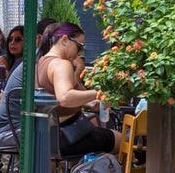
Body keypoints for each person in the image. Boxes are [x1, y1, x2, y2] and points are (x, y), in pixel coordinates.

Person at [35, 22, 120, 156]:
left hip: (51, 136)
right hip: (68, 135)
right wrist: (98, 93)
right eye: (79, 46)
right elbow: (65, 97)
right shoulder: (61, 64)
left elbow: (54, 97)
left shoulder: (42, 61)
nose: (79, 53)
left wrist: (87, 102)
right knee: (124, 141)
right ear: (64, 40)